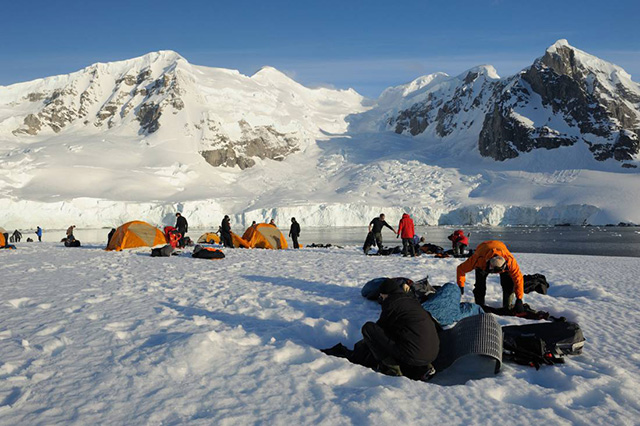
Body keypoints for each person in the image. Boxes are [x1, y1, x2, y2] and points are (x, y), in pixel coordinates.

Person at [361, 279, 439, 378]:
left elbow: (380, 328)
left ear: (385, 294)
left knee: (369, 329)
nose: (381, 298)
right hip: (432, 354)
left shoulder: (391, 303)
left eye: (381, 295)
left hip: (414, 355)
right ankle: (424, 367)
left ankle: (392, 368)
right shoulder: (412, 301)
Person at [456, 240, 524, 312]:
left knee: (508, 285)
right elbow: (461, 269)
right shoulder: (478, 259)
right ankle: (480, 306)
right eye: (494, 271)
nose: (496, 273)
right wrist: (461, 285)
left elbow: (518, 279)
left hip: (500, 246)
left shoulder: (510, 261)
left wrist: (519, 299)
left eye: (499, 271)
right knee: (480, 286)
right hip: (483, 249)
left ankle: (507, 306)